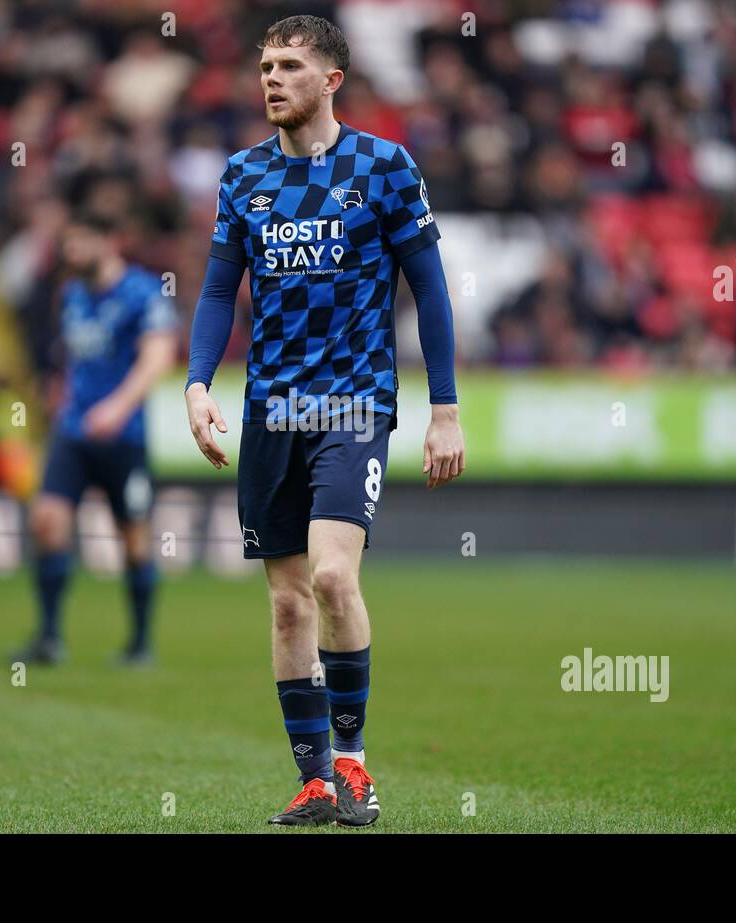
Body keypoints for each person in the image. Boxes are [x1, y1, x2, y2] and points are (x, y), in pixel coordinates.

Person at [184, 15, 464, 827]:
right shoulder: (243, 176)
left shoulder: (384, 167)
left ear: (332, 79)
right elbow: (215, 292)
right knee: (286, 604)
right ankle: (312, 781)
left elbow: (431, 290)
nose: (270, 78)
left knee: (335, 577)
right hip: (270, 407)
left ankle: (353, 763)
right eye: (265, 65)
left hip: (351, 403)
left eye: (290, 66)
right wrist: (199, 384)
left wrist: (444, 409)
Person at [12, 208, 176, 668]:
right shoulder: (71, 295)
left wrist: (117, 407)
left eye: (81, 240)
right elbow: (69, 359)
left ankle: (140, 644)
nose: (71, 251)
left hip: (125, 435)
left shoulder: (143, 292)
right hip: (73, 430)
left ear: (111, 240)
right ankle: (48, 638)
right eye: (68, 242)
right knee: (47, 520)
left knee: (134, 538)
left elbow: (158, 358)